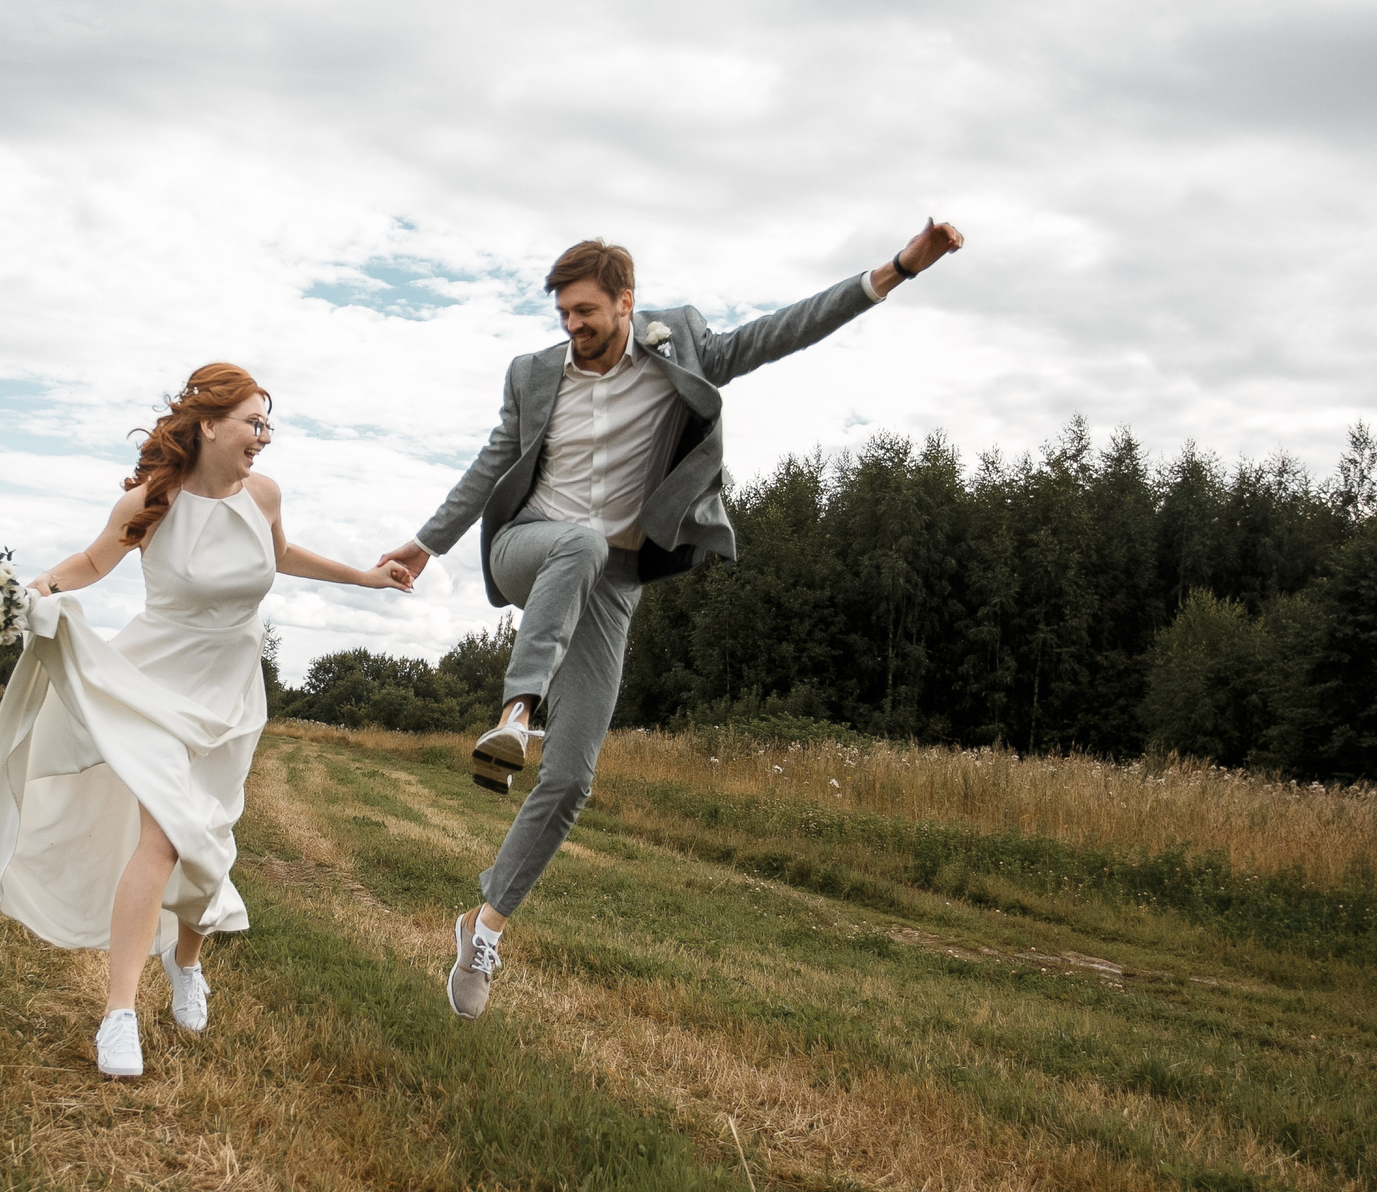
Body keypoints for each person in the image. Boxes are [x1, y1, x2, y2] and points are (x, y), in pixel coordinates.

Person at [377, 221, 966, 1020]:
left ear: (626, 302)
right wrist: (422, 544)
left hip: (613, 577)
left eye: (585, 311)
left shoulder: (678, 347)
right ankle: (516, 711)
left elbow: (782, 331)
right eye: (563, 314)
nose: (572, 326)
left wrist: (895, 270)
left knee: (574, 775)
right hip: (530, 547)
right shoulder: (531, 375)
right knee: (576, 542)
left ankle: (484, 925)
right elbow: (493, 465)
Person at [0, 363, 412, 1079]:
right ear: (210, 423)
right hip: (157, 684)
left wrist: (365, 579)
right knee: (163, 836)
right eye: (254, 421)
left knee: (206, 837)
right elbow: (91, 563)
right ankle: (119, 1013)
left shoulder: (266, 496)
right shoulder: (150, 500)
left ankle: (188, 960)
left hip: (233, 694)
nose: (264, 437)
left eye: (267, 424)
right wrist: (27, 591)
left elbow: (282, 557)